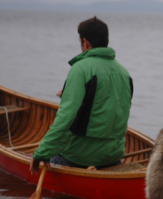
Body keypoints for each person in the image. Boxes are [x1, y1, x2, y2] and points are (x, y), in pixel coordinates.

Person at [30, 16, 133, 175]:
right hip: (112, 156)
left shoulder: (81, 69)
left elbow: (66, 117)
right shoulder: (124, 73)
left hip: (79, 157)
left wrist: (41, 154)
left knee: (39, 154)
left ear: (86, 42)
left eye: (80, 43)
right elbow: (107, 108)